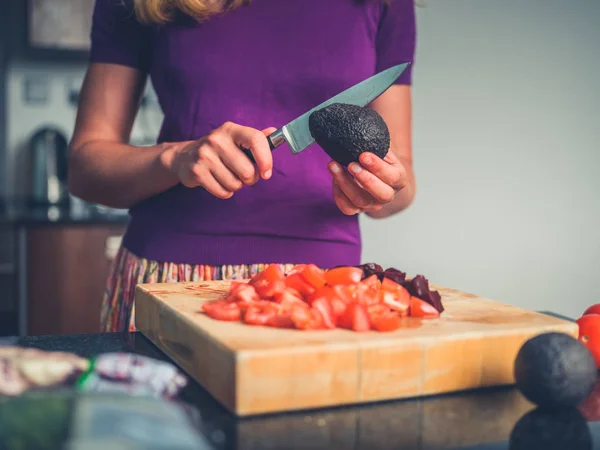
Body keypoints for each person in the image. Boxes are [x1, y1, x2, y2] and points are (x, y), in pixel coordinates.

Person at [69, 0, 417, 332]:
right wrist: (175, 159)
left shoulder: (386, 4)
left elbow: (402, 189)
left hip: (322, 284)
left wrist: (378, 186)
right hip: (170, 278)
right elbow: (85, 169)